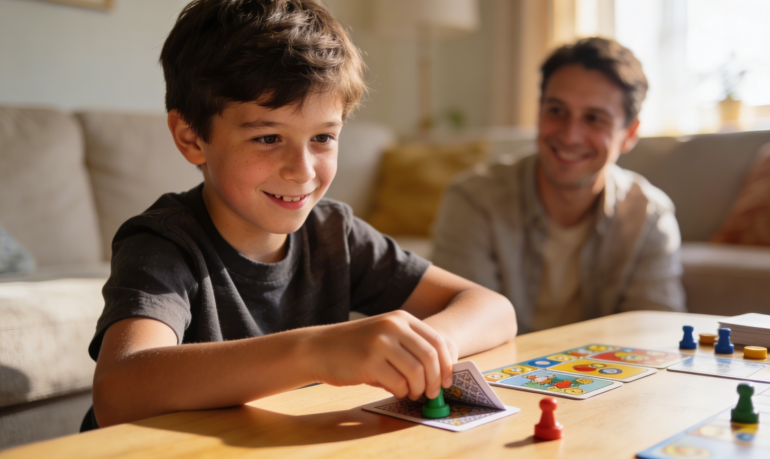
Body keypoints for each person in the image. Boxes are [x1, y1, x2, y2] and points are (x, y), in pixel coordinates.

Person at [84, 0, 517, 430]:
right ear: (191, 137)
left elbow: (493, 309)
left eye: (323, 137)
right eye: (269, 137)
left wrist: (421, 350)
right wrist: (317, 351)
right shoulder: (162, 243)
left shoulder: (334, 233)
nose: (303, 170)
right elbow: (119, 392)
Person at [432, 37, 685, 335]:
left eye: (594, 118)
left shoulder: (649, 216)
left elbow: (653, 338)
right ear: (538, 112)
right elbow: (463, 333)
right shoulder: (474, 200)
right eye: (556, 110)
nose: (570, 135)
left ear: (629, 134)